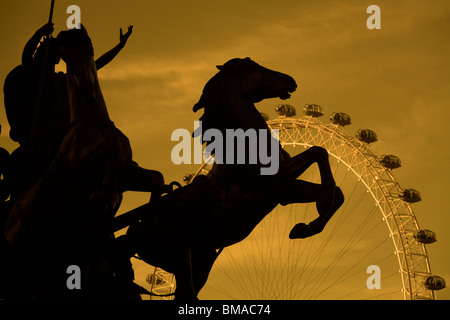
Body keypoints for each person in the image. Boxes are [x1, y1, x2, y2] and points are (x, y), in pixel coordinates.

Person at [3, 23, 134, 199]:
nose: (40, 49)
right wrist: (38, 33)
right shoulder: (35, 76)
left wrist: (119, 47)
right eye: (42, 46)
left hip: (62, 133)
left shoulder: (62, 80)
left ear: (57, 57)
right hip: (41, 137)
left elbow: (95, 65)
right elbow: (26, 57)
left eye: (46, 46)